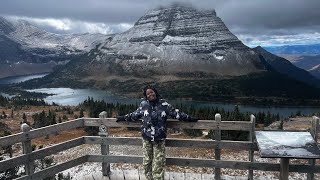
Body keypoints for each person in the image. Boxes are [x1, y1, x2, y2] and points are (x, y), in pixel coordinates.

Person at [117, 86, 198, 180]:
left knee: (158, 163)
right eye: (148, 94)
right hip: (146, 138)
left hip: (159, 138)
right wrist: (123, 118)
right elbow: (135, 115)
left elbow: (176, 114)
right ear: (146, 96)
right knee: (147, 162)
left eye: (151, 92)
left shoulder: (164, 104)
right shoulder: (144, 105)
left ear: (155, 92)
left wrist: (188, 118)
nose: (150, 94)